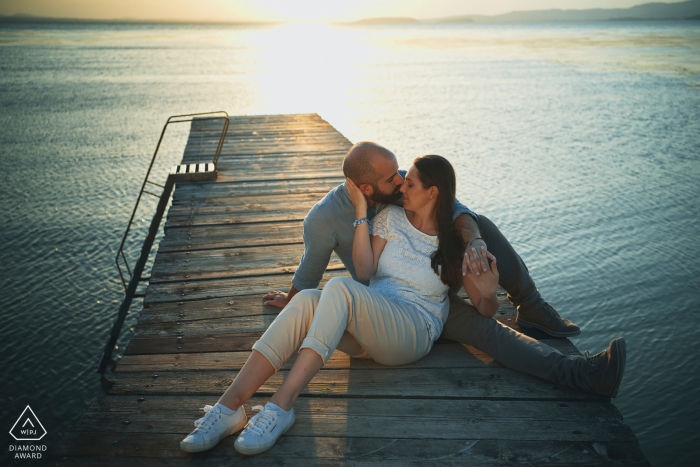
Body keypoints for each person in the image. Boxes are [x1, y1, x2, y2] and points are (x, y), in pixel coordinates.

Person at [180, 155, 502, 455]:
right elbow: (364, 272)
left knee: (338, 287)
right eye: (403, 180)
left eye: (411, 182)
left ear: (433, 192)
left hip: (413, 332)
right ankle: (229, 407)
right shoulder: (391, 217)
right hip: (371, 327)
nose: (402, 185)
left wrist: (489, 294)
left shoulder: (455, 240)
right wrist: (361, 212)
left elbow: (485, 308)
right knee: (307, 299)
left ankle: (281, 406)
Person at [262, 142, 625, 398]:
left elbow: (452, 202)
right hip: (387, 305)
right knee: (487, 327)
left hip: (435, 296)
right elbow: (314, 270)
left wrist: (478, 257)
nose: (402, 182)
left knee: (483, 256)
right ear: (367, 186)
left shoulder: (400, 190)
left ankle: (566, 354)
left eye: (405, 178)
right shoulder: (327, 219)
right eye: (394, 180)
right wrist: (294, 299)